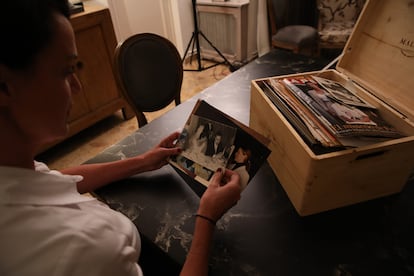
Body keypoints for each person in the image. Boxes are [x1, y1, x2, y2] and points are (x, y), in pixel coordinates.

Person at [0, 1, 241, 276]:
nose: (77, 87)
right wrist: (207, 218)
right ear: (5, 86)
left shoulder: (13, 169)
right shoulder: (82, 250)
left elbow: (56, 178)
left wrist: (142, 161)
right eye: (67, 71)